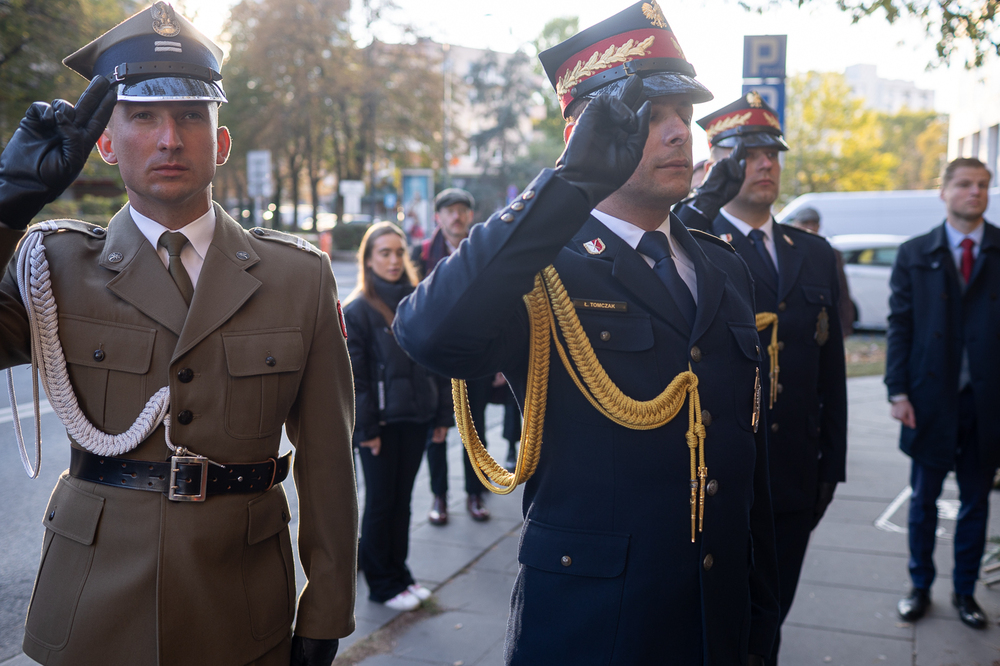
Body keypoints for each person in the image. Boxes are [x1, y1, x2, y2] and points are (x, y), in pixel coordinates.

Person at [393, 2, 779, 663]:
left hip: (718, 619)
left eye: (683, 115)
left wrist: (758, 614)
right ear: (585, 134)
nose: (678, 133)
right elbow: (431, 335)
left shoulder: (723, 264)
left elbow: (747, 452)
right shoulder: (540, 266)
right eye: (650, 117)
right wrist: (567, 183)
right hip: (593, 625)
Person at [0, 4, 357, 665]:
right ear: (104, 144)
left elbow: (330, 461)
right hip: (92, 605)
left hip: (242, 603)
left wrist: (327, 608)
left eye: (192, 116)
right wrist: (7, 205)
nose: (170, 138)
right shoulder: (51, 263)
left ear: (220, 144)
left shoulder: (297, 276)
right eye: (142, 116)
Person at [695, 93, 848, 666]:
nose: (765, 164)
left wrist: (831, 464)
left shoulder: (811, 252)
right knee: (725, 620)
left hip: (793, 474)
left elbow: (830, 368)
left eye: (773, 154)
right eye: (749, 153)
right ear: (716, 165)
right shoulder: (695, 244)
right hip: (725, 475)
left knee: (773, 616)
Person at [888, 157, 1000, 630]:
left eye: (983, 185)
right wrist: (897, 392)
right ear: (944, 191)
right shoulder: (916, 252)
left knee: (977, 501)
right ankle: (919, 586)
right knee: (923, 500)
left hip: (987, 402)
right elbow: (901, 327)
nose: (974, 193)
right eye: (964, 184)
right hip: (931, 398)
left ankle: (964, 592)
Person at [343, 222, 451, 612]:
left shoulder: (420, 300)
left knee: (402, 502)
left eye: (398, 252)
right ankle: (382, 584)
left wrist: (442, 417)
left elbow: (435, 364)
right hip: (381, 428)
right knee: (381, 504)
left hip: (417, 418)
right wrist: (366, 429)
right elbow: (358, 379)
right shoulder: (358, 310)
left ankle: (400, 574)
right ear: (369, 260)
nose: (392, 260)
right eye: (383, 253)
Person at [411, 187, 492, 524]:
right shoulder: (420, 254)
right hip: (433, 360)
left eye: (462, 210)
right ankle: (440, 497)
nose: (456, 216)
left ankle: (475, 493)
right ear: (438, 217)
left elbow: (499, 306)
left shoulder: (484, 251)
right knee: (437, 431)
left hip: (477, 356)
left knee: (477, 427)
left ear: (470, 216)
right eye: (449, 211)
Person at [789, 206, 855, 337]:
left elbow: (842, 291)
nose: (810, 227)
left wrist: (845, 326)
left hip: (822, 321)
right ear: (795, 224)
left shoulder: (830, 252)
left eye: (814, 223)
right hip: (794, 323)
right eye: (805, 223)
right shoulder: (786, 250)